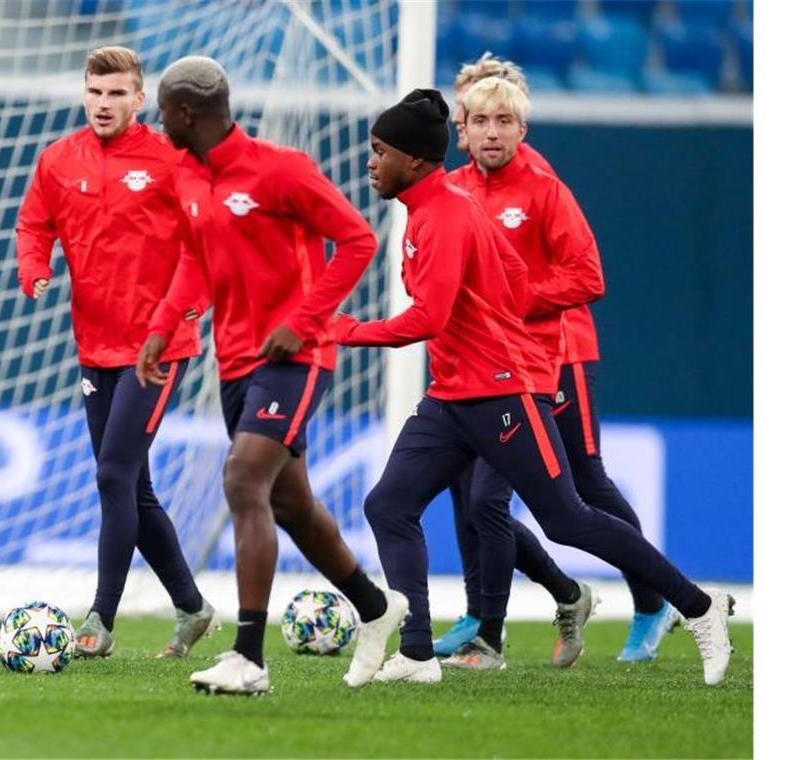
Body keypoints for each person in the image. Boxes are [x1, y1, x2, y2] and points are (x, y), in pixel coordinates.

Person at [332, 87, 734, 686]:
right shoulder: (444, 205)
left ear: (413, 160)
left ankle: (698, 609)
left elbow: (429, 319)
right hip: (452, 395)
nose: (369, 162)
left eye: (379, 150)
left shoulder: (446, 213)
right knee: (389, 504)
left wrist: (345, 331)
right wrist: (497, 308)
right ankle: (417, 653)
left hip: (501, 394)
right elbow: (514, 274)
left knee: (567, 517)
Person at [136, 55, 408, 695]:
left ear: (184, 113)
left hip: (295, 358)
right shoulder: (189, 179)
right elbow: (195, 262)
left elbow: (358, 240)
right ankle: (374, 607)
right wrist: (163, 321)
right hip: (235, 361)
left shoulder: (280, 170)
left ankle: (249, 658)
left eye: (162, 110)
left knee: (241, 478)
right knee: (290, 502)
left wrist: (308, 317)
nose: (158, 121)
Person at [433, 55, 680, 667]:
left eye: (499, 116)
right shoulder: (455, 186)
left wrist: (513, 299)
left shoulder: (537, 181)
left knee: (581, 484)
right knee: (477, 494)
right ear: (459, 123)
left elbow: (584, 275)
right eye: (472, 115)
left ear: (518, 122)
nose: (485, 129)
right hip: (484, 360)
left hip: (556, 357)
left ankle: (651, 601)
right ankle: (490, 613)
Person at [15, 46, 214, 660]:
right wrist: (33, 268)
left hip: (157, 348)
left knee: (112, 474)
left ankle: (100, 619)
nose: (105, 104)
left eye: (117, 94)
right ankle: (192, 605)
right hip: (94, 345)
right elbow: (33, 224)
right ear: (85, 94)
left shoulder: (170, 159)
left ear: (139, 97)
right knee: (133, 487)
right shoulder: (59, 159)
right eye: (96, 93)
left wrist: (178, 315)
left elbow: (204, 246)